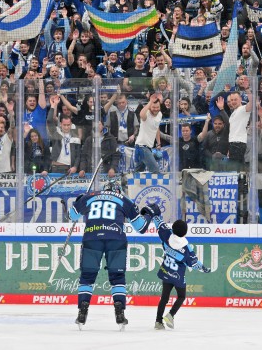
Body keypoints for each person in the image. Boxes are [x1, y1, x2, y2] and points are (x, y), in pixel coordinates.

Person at [69, 181, 152, 329]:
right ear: (118, 190)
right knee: (117, 278)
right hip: (116, 239)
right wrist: (149, 215)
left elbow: (71, 216)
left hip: (92, 237)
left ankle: (82, 311)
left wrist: (78, 200)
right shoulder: (123, 199)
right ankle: (119, 311)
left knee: (87, 277)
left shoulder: (90, 196)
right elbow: (141, 227)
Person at [141, 205, 211, 330]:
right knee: (181, 296)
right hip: (178, 277)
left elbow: (159, 223)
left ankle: (158, 321)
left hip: (166, 271)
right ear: (185, 232)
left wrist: (152, 212)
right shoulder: (187, 249)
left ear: (172, 229)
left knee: (164, 298)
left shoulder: (166, 234)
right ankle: (170, 315)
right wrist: (205, 269)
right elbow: (194, 264)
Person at [134, 93, 163, 173]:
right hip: (142, 147)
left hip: (148, 147)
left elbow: (157, 128)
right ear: (150, 107)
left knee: (138, 172)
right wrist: (150, 102)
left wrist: (159, 143)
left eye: (157, 107)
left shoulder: (160, 115)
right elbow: (141, 114)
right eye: (153, 107)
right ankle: (156, 185)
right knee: (155, 170)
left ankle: (129, 184)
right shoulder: (146, 114)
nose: (155, 109)